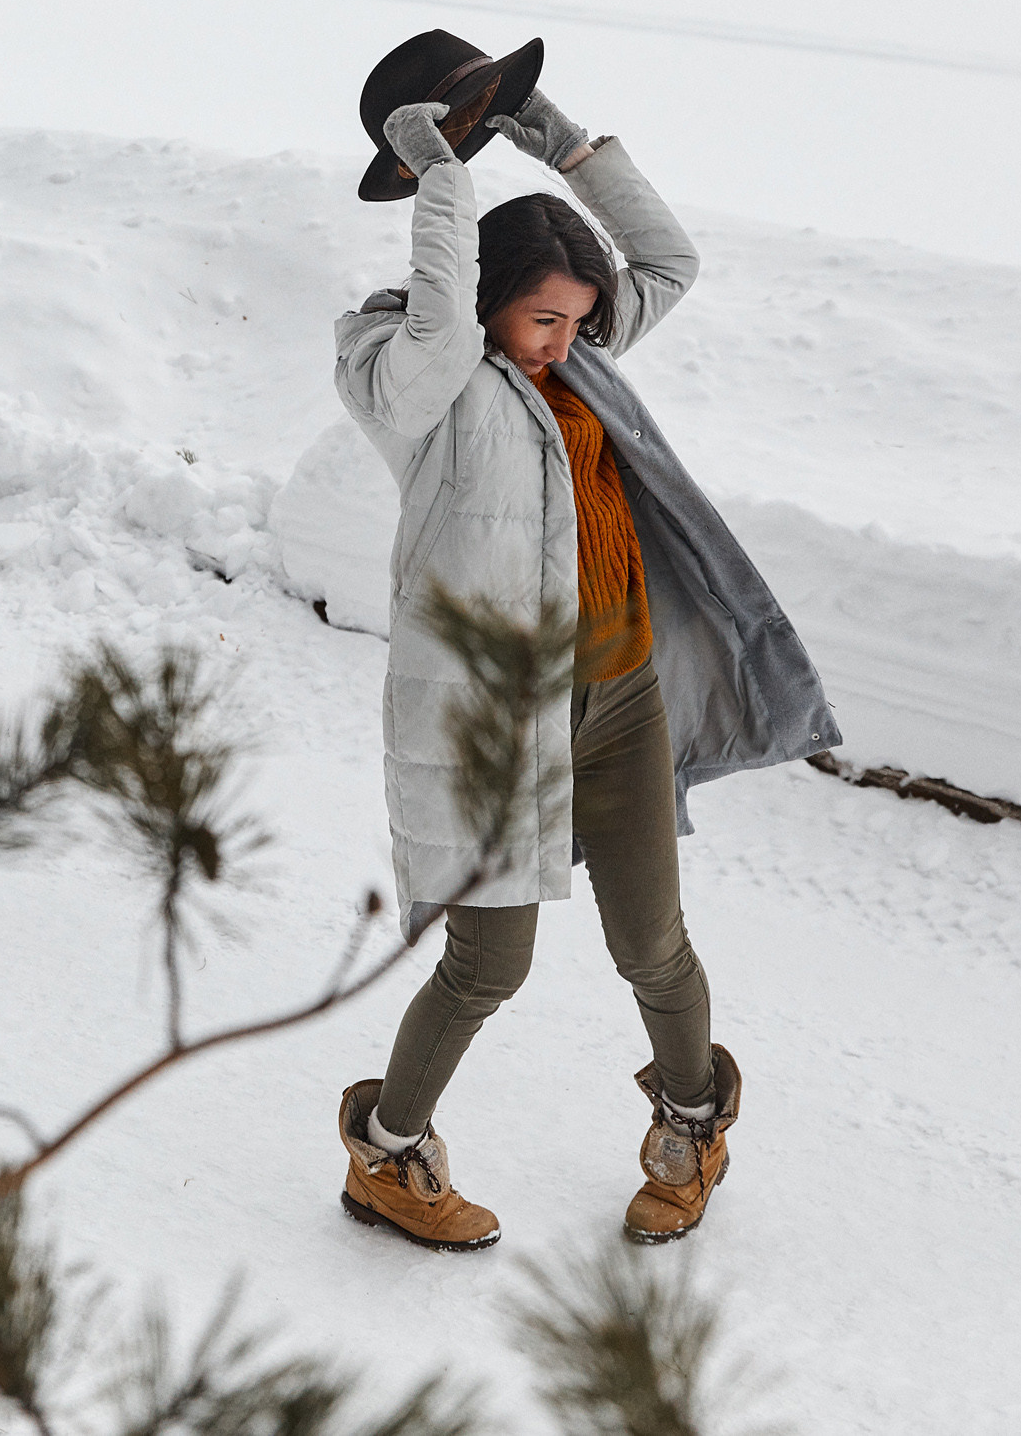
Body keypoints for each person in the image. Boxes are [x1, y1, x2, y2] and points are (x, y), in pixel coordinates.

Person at [328, 79, 840, 1250]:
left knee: (651, 945)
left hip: (622, 696)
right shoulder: (419, 383)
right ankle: (387, 1156)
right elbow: (436, 328)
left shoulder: (579, 362)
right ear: (487, 297)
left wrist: (562, 144)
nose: (566, 342)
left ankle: (692, 1127)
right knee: (485, 964)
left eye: (579, 320)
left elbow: (668, 261)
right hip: (499, 721)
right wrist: (441, 175)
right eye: (544, 320)